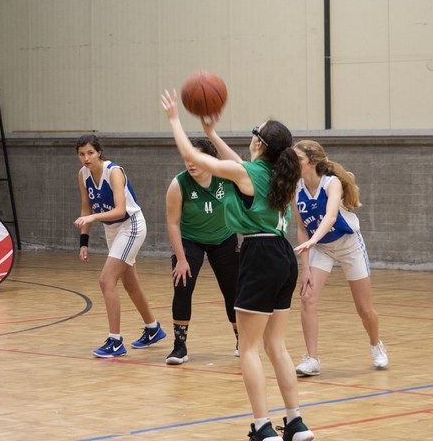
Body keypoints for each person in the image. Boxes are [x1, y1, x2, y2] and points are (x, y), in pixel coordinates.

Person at [160, 90, 314, 441]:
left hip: (259, 255)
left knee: (248, 348)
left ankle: (262, 426)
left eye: (254, 132)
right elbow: (238, 165)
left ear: (258, 143)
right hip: (283, 255)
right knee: (277, 346)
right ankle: (295, 422)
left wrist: (174, 120)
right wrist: (212, 133)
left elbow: (192, 155)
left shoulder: (248, 172)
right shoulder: (277, 172)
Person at [292, 140, 388, 376]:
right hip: (321, 249)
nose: (293, 162)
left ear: (312, 162)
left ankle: (376, 344)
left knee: (364, 309)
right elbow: (301, 228)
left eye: (298, 158)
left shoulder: (331, 183)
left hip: (349, 245)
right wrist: (305, 267)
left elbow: (331, 216)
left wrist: (313, 240)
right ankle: (312, 359)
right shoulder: (297, 187)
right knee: (307, 299)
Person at [74, 134, 166, 358]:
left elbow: (120, 210)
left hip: (130, 225)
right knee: (130, 284)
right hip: (112, 229)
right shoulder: (83, 174)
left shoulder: (114, 172)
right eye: (81, 154)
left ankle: (115, 341)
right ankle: (153, 328)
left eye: (90, 153)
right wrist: (84, 242)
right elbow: (86, 207)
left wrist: (93, 218)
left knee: (106, 280)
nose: (86, 158)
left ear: (99, 152)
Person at [165, 137, 239, 365]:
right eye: (187, 158)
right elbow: (173, 223)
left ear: (209, 158)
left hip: (224, 238)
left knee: (233, 291)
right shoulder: (179, 184)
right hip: (190, 240)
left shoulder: (225, 176)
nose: (190, 163)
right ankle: (179, 346)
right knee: (182, 287)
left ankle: (242, 339)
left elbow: (241, 167)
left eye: (195, 158)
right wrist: (181, 259)